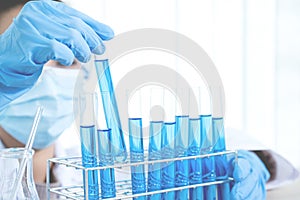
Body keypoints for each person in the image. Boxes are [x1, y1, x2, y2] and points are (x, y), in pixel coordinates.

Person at [0, 0, 296, 200]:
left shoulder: (103, 165)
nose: (49, 70)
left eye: (65, 61)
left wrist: (252, 161)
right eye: (31, 60)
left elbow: (206, 142)